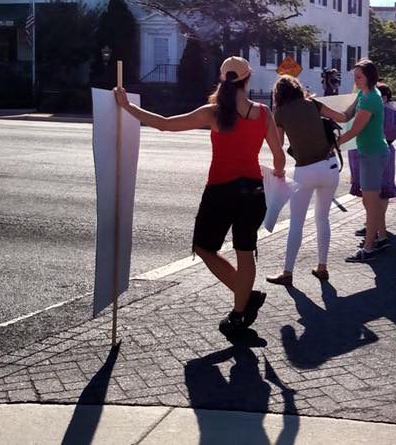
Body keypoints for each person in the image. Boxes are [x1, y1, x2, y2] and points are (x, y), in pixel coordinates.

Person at [114, 56, 285, 335]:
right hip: (253, 190)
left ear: (222, 78)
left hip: (220, 189)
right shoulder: (264, 113)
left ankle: (244, 301)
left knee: (205, 248)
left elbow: (164, 124)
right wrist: (277, 173)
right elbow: (278, 157)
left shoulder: (214, 112)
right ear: (248, 78)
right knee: (246, 251)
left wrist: (128, 106)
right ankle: (241, 308)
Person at [266, 75, 340, 286]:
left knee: (296, 222)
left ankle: (288, 272)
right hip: (330, 167)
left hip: (305, 170)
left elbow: (278, 144)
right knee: (322, 218)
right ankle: (322, 267)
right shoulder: (313, 104)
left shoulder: (279, 113)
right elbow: (342, 117)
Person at [333, 60, 389, 263]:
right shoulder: (362, 94)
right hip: (369, 152)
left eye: (359, 77)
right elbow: (345, 115)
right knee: (370, 201)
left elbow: (355, 129)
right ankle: (381, 237)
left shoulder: (371, 99)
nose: (355, 80)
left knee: (370, 202)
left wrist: (332, 145)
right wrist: (321, 109)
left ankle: (369, 248)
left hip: (373, 153)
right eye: (354, 76)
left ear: (369, 77)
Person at [348, 82, 396, 240]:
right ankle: (376, 228)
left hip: (370, 151)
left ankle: (373, 227)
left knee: (370, 195)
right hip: (387, 150)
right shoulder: (394, 113)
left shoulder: (372, 109)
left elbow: (358, 129)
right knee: (383, 191)